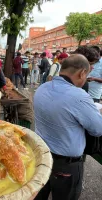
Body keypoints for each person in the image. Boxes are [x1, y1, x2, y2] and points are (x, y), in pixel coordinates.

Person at [34, 54, 102, 200]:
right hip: (66, 165)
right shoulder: (79, 96)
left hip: (41, 157)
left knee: (39, 195)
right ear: (82, 73)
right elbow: (98, 129)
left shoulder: (42, 88)